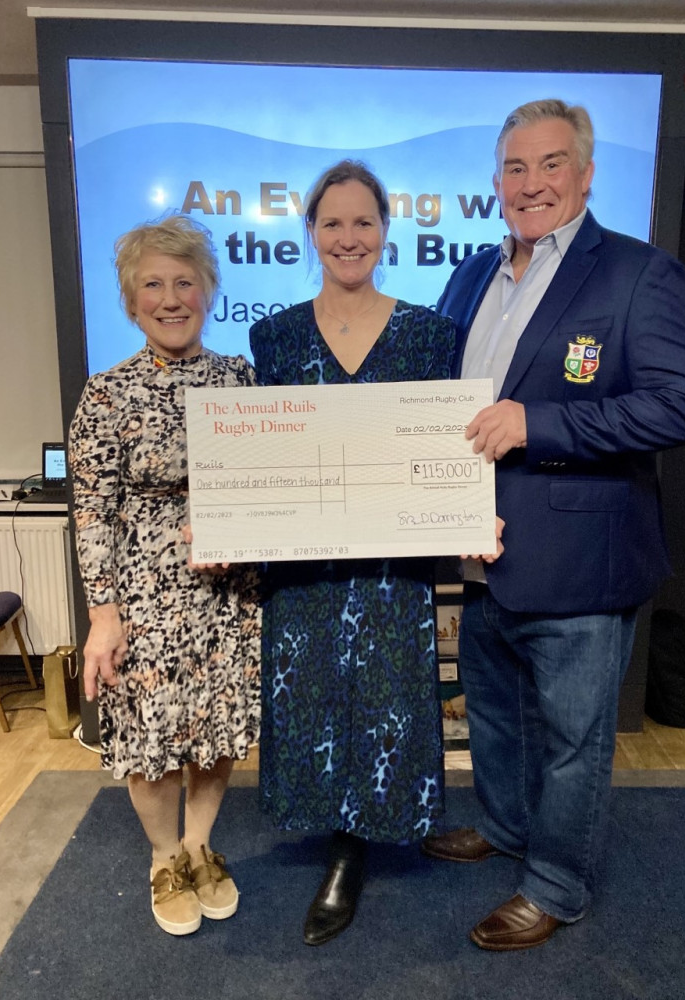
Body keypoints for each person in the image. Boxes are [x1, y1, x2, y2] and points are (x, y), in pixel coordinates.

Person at [422, 99, 685, 951]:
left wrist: (537, 424)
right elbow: (440, 401)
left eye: (552, 164)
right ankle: (509, 831)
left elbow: (678, 406)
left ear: (586, 175)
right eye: (515, 167)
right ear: (496, 183)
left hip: (583, 564)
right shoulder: (472, 274)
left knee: (574, 742)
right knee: (499, 719)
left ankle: (555, 882)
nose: (532, 182)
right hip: (481, 552)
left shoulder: (637, 273)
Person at [248, 160, 457, 946]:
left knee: (387, 698)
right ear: (310, 234)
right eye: (332, 223)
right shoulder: (271, 337)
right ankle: (335, 829)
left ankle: (362, 840)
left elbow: (444, 450)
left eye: (362, 222)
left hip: (389, 569)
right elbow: (259, 458)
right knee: (311, 701)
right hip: (302, 572)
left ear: (386, 232)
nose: (348, 237)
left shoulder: (432, 336)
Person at [68, 213, 261, 937]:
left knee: (215, 732)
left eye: (185, 282)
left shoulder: (239, 378)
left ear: (209, 292)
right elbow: (92, 511)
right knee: (150, 740)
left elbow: (264, 480)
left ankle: (199, 846)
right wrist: (104, 614)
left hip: (226, 590)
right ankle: (161, 858)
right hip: (142, 594)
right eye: (154, 284)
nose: (171, 297)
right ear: (130, 300)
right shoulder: (106, 394)